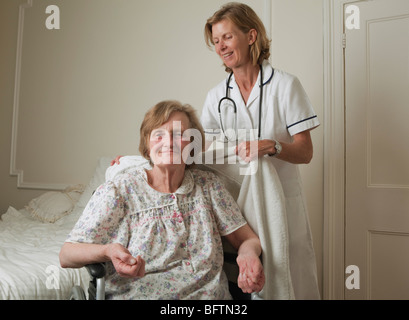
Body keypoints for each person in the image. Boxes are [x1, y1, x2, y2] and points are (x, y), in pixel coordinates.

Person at [59, 100, 264, 300]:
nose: (168, 142)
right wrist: (108, 251)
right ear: (147, 145)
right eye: (158, 135)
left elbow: (248, 239)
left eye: (179, 134)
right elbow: (67, 255)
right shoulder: (120, 191)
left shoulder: (209, 187)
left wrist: (247, 255)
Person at [201, 2, 320, 299]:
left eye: (227, 37)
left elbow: (305, 152)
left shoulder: (285, 85)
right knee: (243, 282)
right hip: (236, 206)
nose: (221, 47)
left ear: (251, 36)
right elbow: (206, 155)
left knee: (287, 278)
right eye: (216, 41)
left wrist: (273, 146)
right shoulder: (216, 96)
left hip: (281, 203)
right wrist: (138, 161)